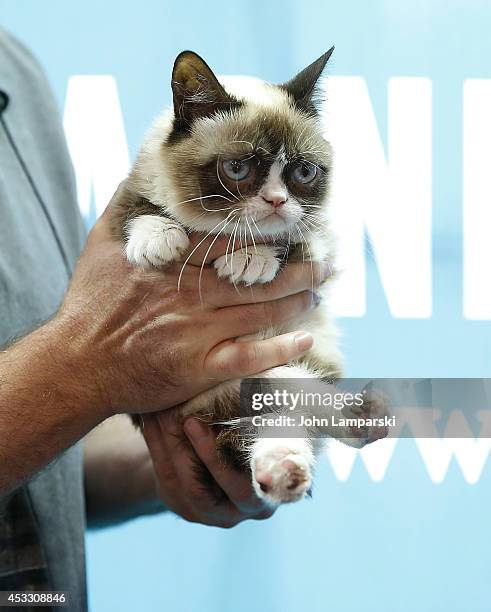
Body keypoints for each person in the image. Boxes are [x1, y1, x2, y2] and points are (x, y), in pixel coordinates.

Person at [0, 27, 329, 610]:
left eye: (301, 177)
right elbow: (82, 369)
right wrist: (86, 365)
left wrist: (184, 453)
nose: (278, 197)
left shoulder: (17, 73)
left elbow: (53, 460)